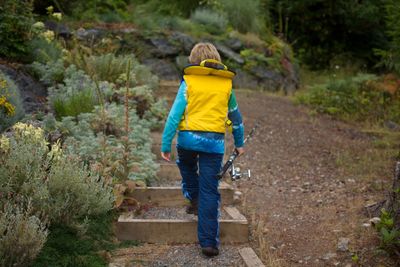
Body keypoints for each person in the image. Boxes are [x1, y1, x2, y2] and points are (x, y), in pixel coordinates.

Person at [160, 42, 244, 257]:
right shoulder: (226, 85)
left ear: (193, 60)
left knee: (186, 166)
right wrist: (239, 143)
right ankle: (209, 243)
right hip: (214, 143)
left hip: (187, 139)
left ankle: (192, 195)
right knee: (210, 190)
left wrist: (165, 143)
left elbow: (174, 115)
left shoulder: (189, 81)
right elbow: (236, 118)